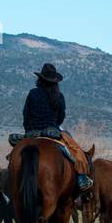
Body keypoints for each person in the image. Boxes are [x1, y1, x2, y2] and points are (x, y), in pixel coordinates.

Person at [22, 63, 93, 193]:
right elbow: (61, 117)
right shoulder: (58, 96)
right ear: (55, 82)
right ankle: (82, 178)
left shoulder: (32, 93)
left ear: (40, 79)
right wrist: (53, 125)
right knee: (76, 151)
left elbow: (26, 115)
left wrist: (29, 129)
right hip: (52, 132)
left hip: (32, 132)